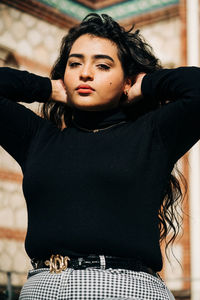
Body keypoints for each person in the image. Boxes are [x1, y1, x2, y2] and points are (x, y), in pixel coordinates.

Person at [0, 12, 199, 300]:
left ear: (126, 80)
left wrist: (145, 85)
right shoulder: (38, 137)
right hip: (42, 288)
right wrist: (46, 87)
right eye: (75, 63)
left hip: (125, 289)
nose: (85, 73)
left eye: (103, 65)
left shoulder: (153, 135)